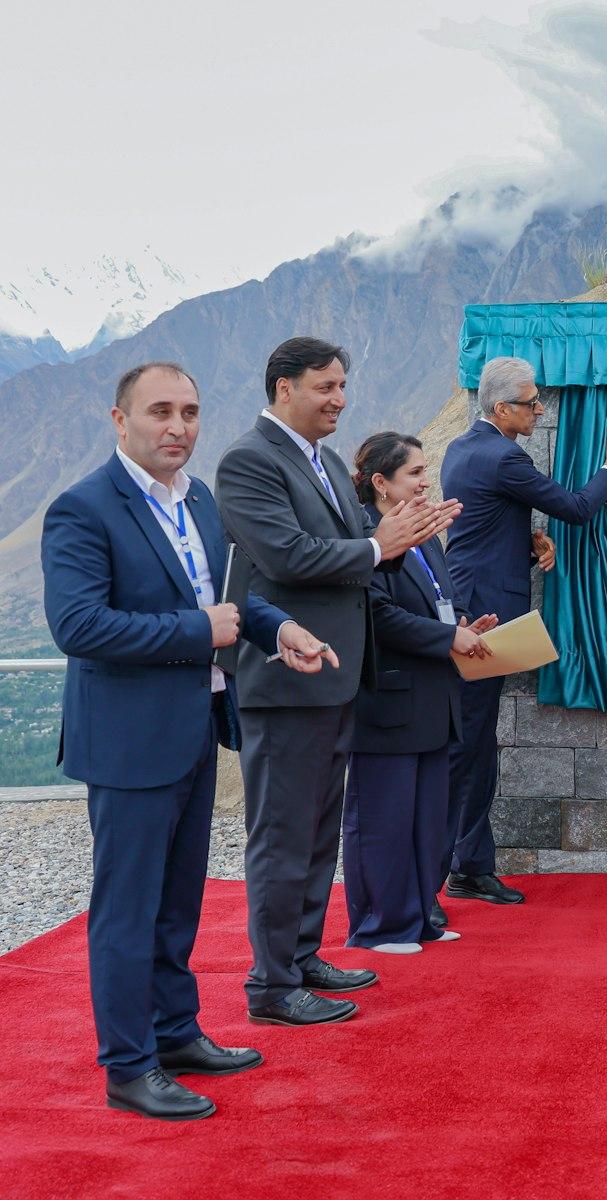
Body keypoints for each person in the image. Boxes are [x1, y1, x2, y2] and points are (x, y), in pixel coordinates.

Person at [43, 362, 334, 1121]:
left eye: (191, 413)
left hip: (194, 732)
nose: (178, 427)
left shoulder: (197, 499)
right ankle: (129, 1066)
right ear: (119, 420)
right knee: (127, 912)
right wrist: (193, 632)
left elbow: (231, 600)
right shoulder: (83, 509)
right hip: (128, 746)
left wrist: (279, 629)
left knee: (177, 908)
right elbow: (78, 627)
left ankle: (175, 1034)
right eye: (161, 412)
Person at [215, 337, 461, 1027]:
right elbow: (286, 557)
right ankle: (270, 985)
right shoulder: (248, 461)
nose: (340, 399)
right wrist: (381, 545)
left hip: (338, 676)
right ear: (283, 388)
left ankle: (302, 956)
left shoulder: (321, 459)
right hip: (286, 678)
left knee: (321, 833)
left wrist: (400, 543)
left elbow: (358, 552)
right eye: (325, 386)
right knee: (283, 834)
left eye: (343, 386)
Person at [439, 356, 607, 908]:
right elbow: (574, 507)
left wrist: (527, 542)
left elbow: (482, 527)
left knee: (472, 743)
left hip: (471, 603)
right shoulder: (503, 457)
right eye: (531, 401)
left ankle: (467, 864)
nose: (540, 409)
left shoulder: (463, 448)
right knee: (469, 746)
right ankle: (455, 868)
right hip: (482, 619)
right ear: (502, 408)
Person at [344, 432, 497, 954]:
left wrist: (467, 628)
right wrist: (445, 635)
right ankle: (380, 926)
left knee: (426, 817)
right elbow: (378, 615)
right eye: (414, 473)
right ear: (381, 484)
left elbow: (436, 604)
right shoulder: (366, 536)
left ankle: (417, 918)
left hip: (434, 694)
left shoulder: (427, 535)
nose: (425, 481)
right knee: (383, 820)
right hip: (389, 696)